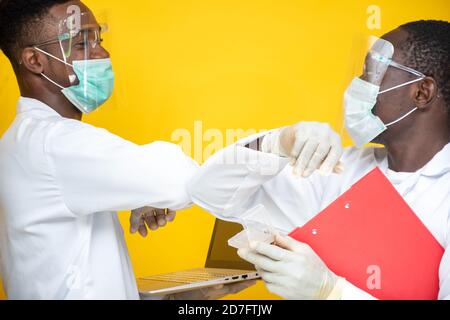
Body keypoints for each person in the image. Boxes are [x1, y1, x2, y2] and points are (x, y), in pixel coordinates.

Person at [0, 0, 254, 299]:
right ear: (34, 60)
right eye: (82, 42)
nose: (102, 53)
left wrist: (184, 297)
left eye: (99, 39)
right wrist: (151, 191)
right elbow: (179, 180)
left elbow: (67, 278)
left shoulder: (16, 144)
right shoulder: (55, 142)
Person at [187, 20, 450, 300]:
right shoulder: (343, 170)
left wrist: (331, 292)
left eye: (372, 72)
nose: (357, 85)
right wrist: (276, 143)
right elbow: (210, 193)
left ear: (422, 92)